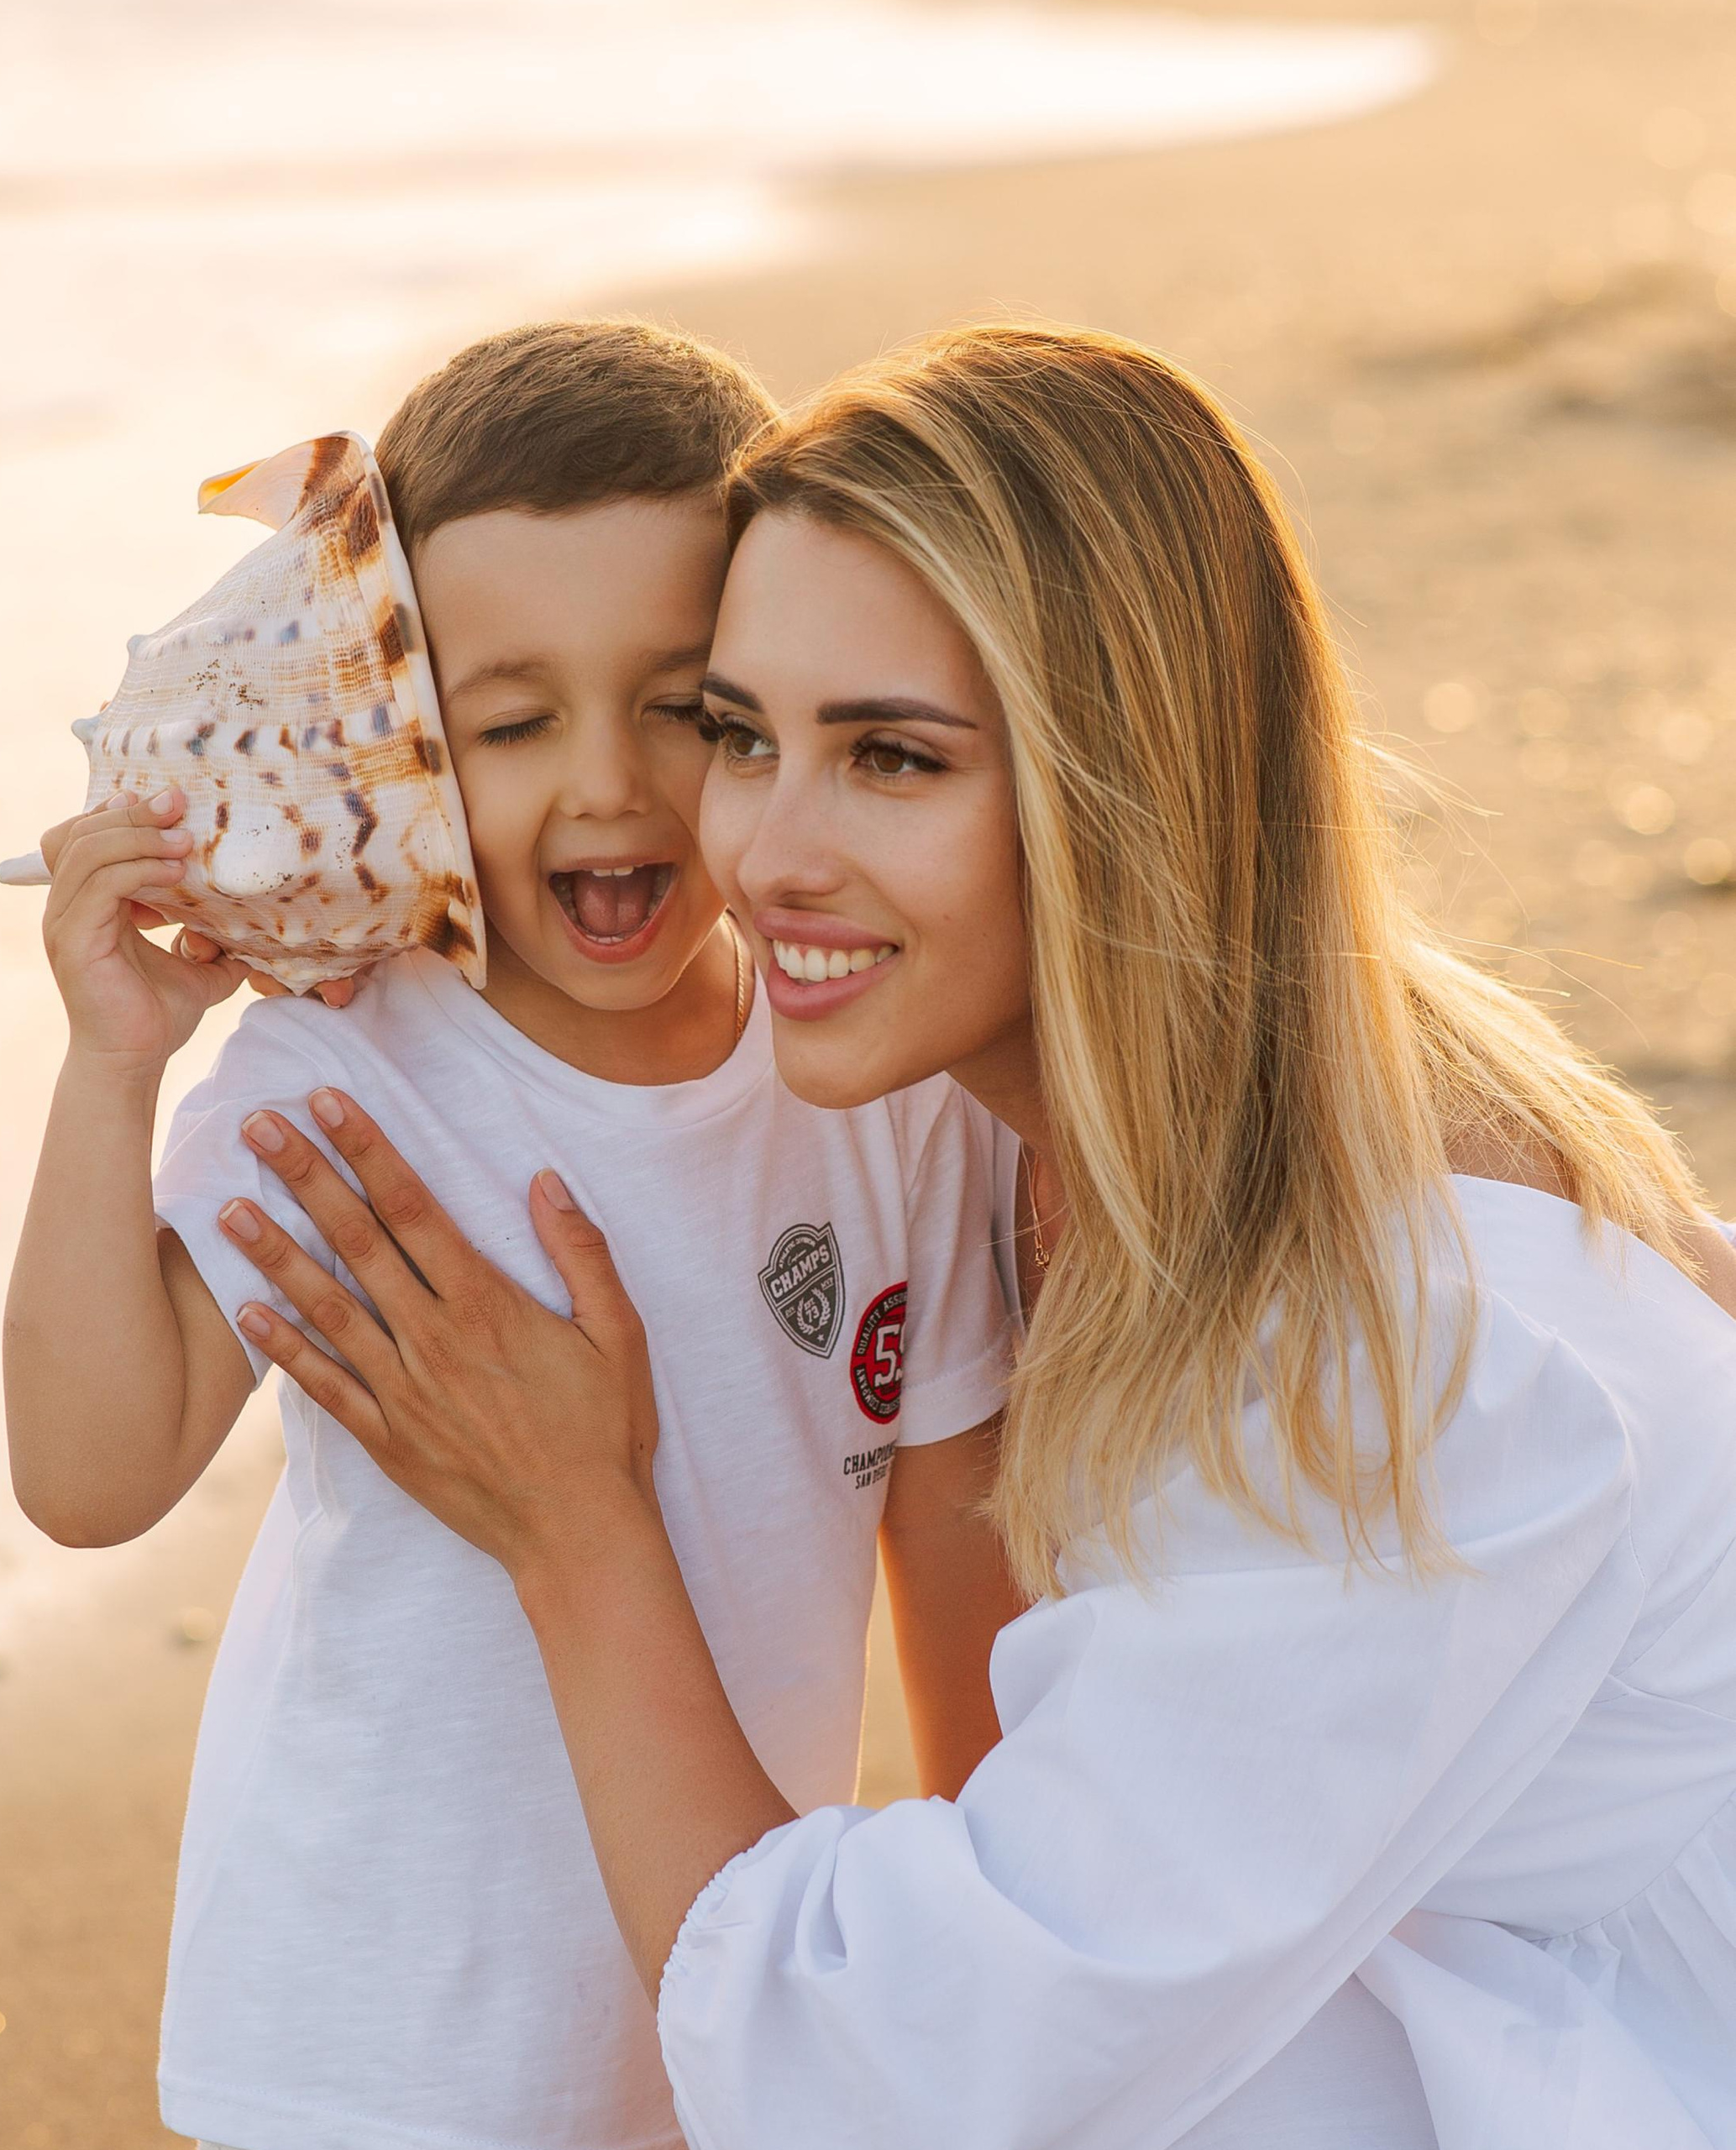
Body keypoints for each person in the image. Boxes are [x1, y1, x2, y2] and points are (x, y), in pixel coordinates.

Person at [212, 325, 1736, 2148]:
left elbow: (900, 2075)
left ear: (1123, 787)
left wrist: (574, 1526)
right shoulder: (1093, 1161)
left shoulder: (1423, 1346)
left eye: (891, 758)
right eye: (742, 733)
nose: (763, 850)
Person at [2, 319, 1023, 2150]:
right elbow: (91, 1470)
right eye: (512, 718)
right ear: (399, 740)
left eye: (682, 703)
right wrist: (113, 1070)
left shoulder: (888, 1089)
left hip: (711, 2009)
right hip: (359, 2040)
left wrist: (990, 2015)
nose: (610, 783)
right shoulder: (348, 1066)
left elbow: (953, 1573)